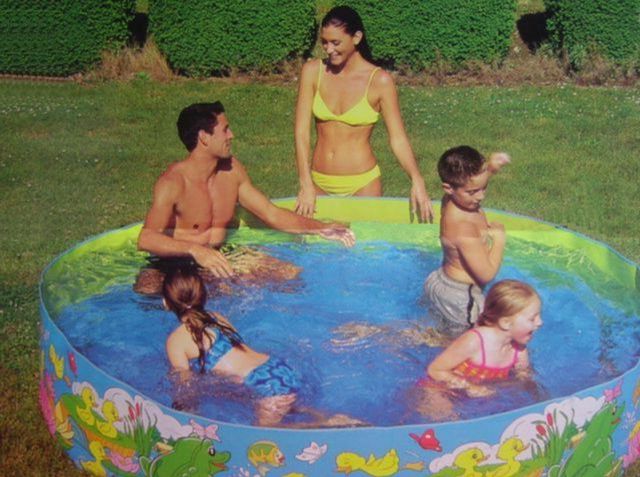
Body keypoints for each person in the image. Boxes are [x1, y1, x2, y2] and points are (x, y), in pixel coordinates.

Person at [135, 101, 355, 293]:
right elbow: (146, 239)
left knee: (290, 275)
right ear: (204, 137)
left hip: (220, 256)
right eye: (225, 130)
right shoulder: (173, 183)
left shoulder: (231, 171)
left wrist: (320, 228)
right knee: (146, 290)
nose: (231, 135)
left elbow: (271, 213)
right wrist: (195, 250)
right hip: (175, 264)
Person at [163, 267, 365, 428]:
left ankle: (323, 425)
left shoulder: (175, 341)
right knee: (288, 401)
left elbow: (184, 386)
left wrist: (183, 418)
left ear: (166, 303)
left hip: (261, 383)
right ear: (204, 295)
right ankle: (332, 418)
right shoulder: (217, 317)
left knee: (264, 437)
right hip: (276, 367)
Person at [293, 5, 433, 222]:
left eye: (336, 43)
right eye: (324, 42)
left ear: (356, 37)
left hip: (363, 184)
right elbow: (301, 132)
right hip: (318, 181)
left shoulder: (380, 81)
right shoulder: (312, 72)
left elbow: (397, 138)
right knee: (314, 243)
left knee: (364, 244)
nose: (328, 49)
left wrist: (416, 179)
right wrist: (305, 182)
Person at [415, 280, 542, 420]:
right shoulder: (474, 342)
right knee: (445, 417)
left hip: (474, 396)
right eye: (532, 319)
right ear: (506, 323)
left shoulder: (519, 350)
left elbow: (524, 379)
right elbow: (435, 370)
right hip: (440, 388)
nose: (540, 322)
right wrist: (469, 387)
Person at [424, 145, 510, 341]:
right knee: (466, 344)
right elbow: (486, 274)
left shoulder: (450, 199)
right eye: (472, 192)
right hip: (462, 297)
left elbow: (473, 181)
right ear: (448, 188)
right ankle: (382, 335)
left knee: (440, 335)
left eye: (483, 188)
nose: (481, 196)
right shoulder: (464, 228)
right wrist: (499, 239)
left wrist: (491, 168)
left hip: (439, 281)